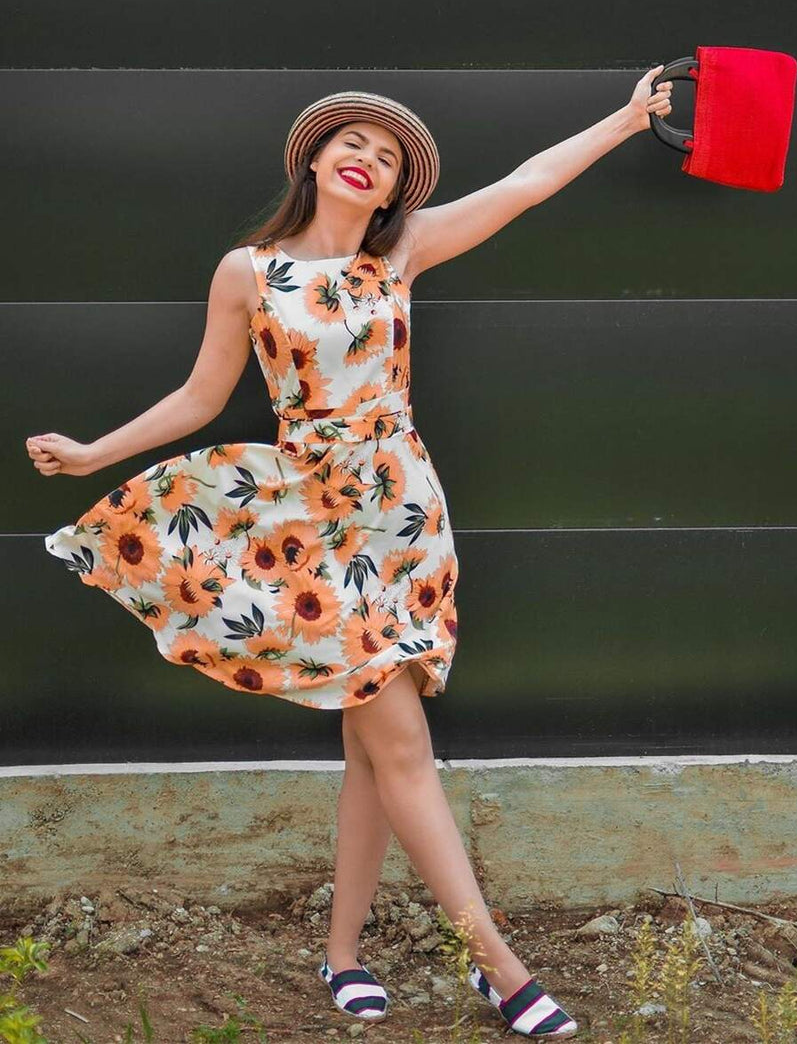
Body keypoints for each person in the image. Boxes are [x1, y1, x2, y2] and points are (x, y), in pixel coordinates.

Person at [26, 75, 672, 1039]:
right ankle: (499, 966)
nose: (367, 155)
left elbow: (528, 184)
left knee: (372, 753)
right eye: (352, 141)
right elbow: (202, 399)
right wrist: (94, 453)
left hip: (402, 512)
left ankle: (342, 953)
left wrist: (625, 121)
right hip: (309, 517)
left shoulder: (401, 253)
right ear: (317, 160)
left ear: (392, 192)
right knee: (400, 741)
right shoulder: (247, 272)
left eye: (388, 155)